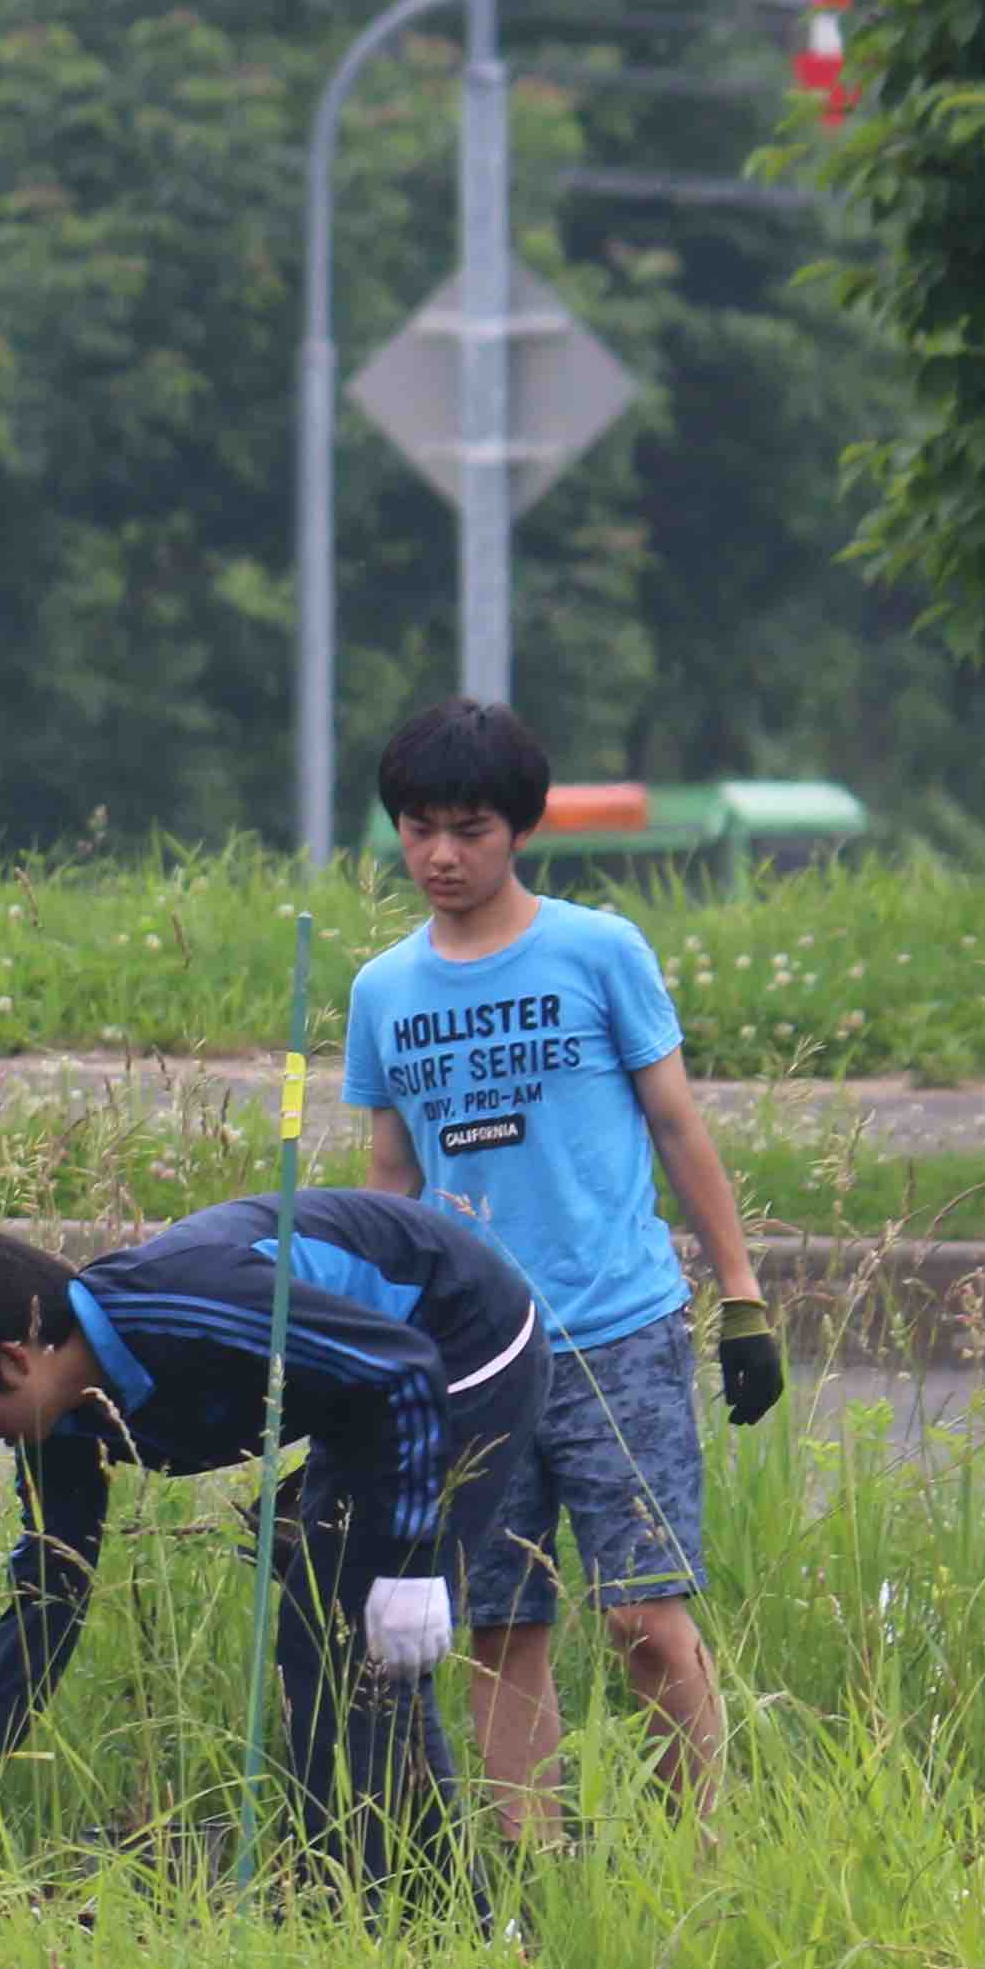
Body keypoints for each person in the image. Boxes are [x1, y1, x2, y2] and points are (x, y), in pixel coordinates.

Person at [336, 699, 780, 1842]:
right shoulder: (384, 991)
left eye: (469, 828)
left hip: (615, 1331)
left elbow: (678, 1126)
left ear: (520, 829)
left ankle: (698, 1860)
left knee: (644, 1620)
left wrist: (743, 1299)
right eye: (418, 827)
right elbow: (391, 1179)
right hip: (473, 1356)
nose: (440, 854)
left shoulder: (598, 951)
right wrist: (372, 1344)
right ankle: (529, 1872)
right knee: (500, 1626)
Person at [0, 1192, 545, 1896]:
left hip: (459, 1341)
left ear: (15, 1360)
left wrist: (413, 1557)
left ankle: (426, 1913)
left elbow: (403, 1369)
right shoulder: (69, 1419)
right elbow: (53, 1589)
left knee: (359, 1650)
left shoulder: (184, 1308)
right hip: (367, 1389)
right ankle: (357, 1895)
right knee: (321, 1642)